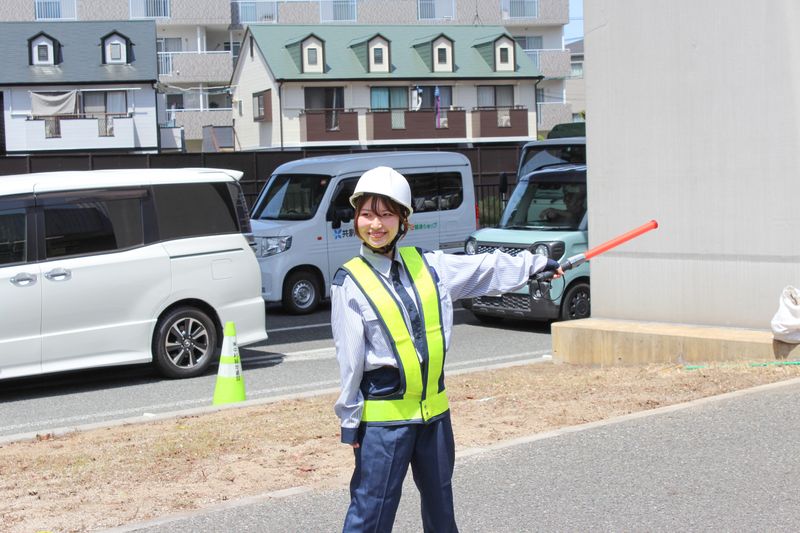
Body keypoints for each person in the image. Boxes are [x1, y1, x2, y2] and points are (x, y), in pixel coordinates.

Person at [331, 166, 562, 533]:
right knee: (370, 514)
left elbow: (483, 268)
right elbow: (350, 361)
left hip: (435, 419)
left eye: (386, 214)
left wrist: (534, 264)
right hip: (384, 423)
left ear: (403, 221)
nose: (376, 224)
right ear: (356, 218)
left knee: (441, 511)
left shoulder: (429, 265)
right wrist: (350, 423)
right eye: (367, 214)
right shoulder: (349, 282)